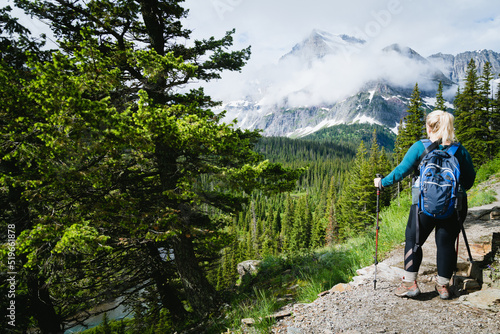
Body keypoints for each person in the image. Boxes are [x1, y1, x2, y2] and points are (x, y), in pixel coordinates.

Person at [374, 110, 475, 299]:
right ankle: (443, 287)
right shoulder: (459, 150)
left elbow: (401, 171)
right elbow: (469, 180)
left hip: (423, 206)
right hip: (452, 207)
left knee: (414, 241)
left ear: (430, 127)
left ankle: (409, 284)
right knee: (446, 244)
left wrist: (382, 182)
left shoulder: (421, 147)